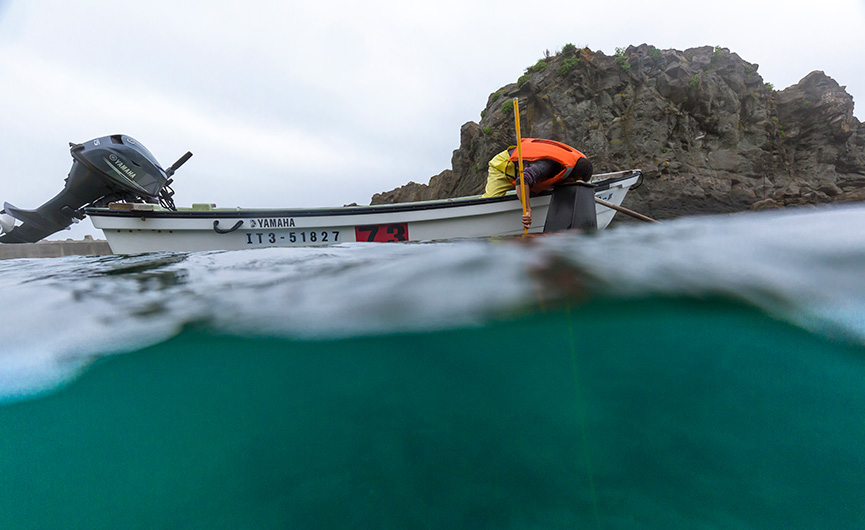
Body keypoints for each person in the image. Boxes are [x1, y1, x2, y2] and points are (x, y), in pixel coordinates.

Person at [482, 138, 592, 230]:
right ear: (571, 176)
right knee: (490, 202)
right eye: (573, 182)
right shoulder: (547, 166)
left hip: (527, 169)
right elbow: (522, 180)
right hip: (505, 167)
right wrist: (528, 209)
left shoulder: (569, 166)